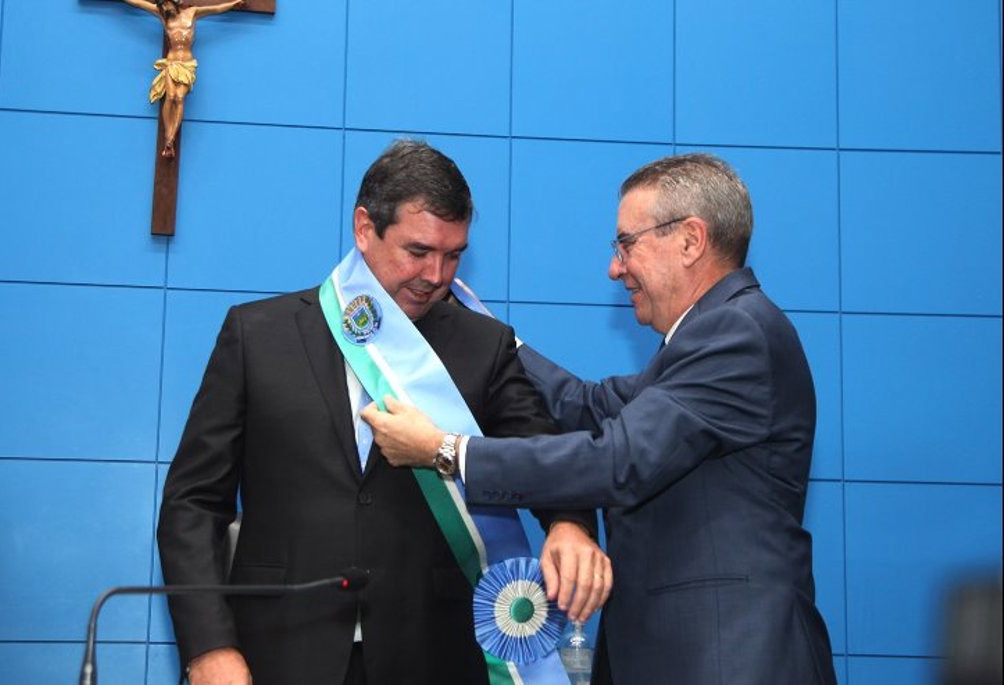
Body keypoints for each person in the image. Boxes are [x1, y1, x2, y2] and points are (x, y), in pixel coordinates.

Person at [364, 153, 838, 684]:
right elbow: (586, 406)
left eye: (626, 244)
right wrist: (488, 338)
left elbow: (616, 459)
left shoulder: (737, 334)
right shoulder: (704, 341)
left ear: (690, 240)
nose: (616, 268)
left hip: (730, 656)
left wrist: (446, 451)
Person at [158, 140, 610, 685]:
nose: (436, 275)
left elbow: (545, 457)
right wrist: (208, 647)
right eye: (418, 251)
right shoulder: (258, 335)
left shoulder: (484, 346)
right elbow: (192, 504)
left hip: (431, 654)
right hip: (277, 650)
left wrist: (569, 525)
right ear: (364, 228)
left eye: (454, 255)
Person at [121, 0, 244, 157]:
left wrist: (233, 4)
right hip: (172, 63)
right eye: (162, 6)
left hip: (187, 64)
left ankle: (171, 138)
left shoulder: (192, 13)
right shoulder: (163, 16)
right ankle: (168, 138)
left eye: (166, 4)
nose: (165, 8)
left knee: (179, 98)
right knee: (170, 96)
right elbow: (139, 3)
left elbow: (216, 9)